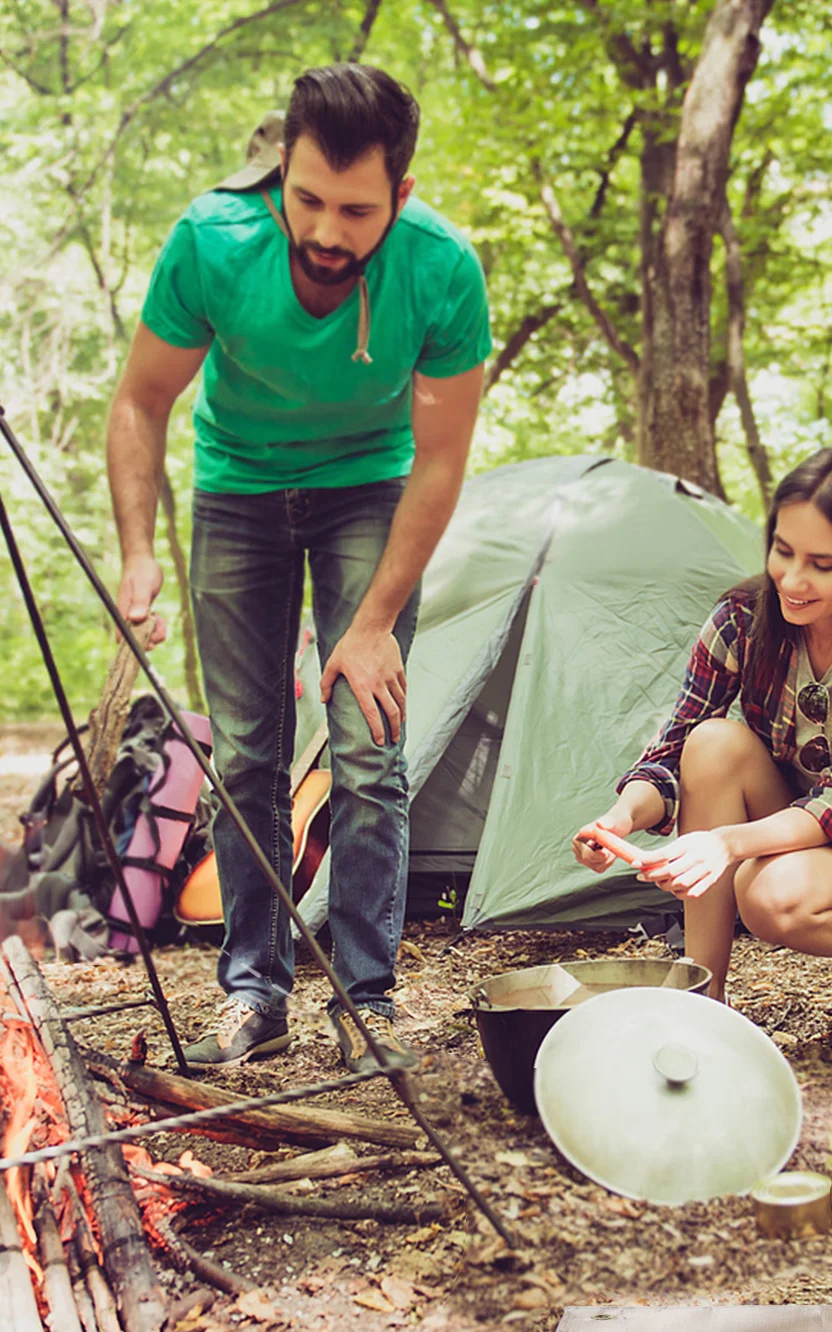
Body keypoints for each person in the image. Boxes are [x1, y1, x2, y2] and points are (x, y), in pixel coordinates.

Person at [106, 64, 490, 1071]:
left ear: (399, 199)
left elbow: (442, 460)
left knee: (367, 750)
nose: (322, 230)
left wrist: (368, 626)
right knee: (245, 759)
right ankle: (253, 992)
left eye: (354, 210)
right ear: (282, 170)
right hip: (236, 494)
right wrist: (138, 551)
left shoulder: (442, 269)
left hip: (370, 488)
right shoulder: (214, 239)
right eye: (305, 197)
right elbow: (141, 401)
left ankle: (365, 1000)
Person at [572, 447, 832, 1060]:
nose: (793, 581)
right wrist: (620, 820)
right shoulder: (742, 621)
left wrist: (725, 843)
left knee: (770, 896)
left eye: (823, 564)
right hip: (801, 824)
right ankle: (703, 1007)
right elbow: (671, 750)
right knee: (712, 743)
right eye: (783, 551)